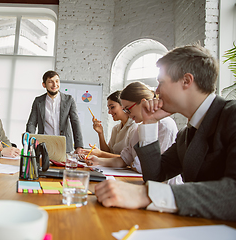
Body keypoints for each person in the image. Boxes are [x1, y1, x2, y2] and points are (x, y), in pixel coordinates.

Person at [94, 44, 236, 221]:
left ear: (186, 80)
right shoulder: (185, 135)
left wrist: (147, 195)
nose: (157, 91)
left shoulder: (231, 115)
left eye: (161, 82)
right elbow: (155, 175)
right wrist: (149, 123)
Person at [85, 82, 180, 183]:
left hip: (165, 188)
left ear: (143, 103)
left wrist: (133, 163)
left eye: (127, 109)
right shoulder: (138, 129)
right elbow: (124, 160)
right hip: (145, 184)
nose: (128, 115)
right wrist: (98, 161)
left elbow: (141, 167)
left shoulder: (165, 125)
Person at [26, 70, 83, 153]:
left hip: (64, 146)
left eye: (57, 81)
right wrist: (29, 143)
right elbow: (32, 123)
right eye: (50, 82)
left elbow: (75, 122)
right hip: (44, 145)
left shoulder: (69, 100)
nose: (55, 85)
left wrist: (79, 146)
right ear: (44, 85)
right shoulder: (38, 101)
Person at [82, 91, 138, 158]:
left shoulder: (134, 127)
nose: (109, 112)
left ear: (123, 105)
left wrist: (100, 154)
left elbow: (128, 159)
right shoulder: (116, 128)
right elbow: (108, 153)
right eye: (108, 108)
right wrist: (100, 133)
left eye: (112, 107)